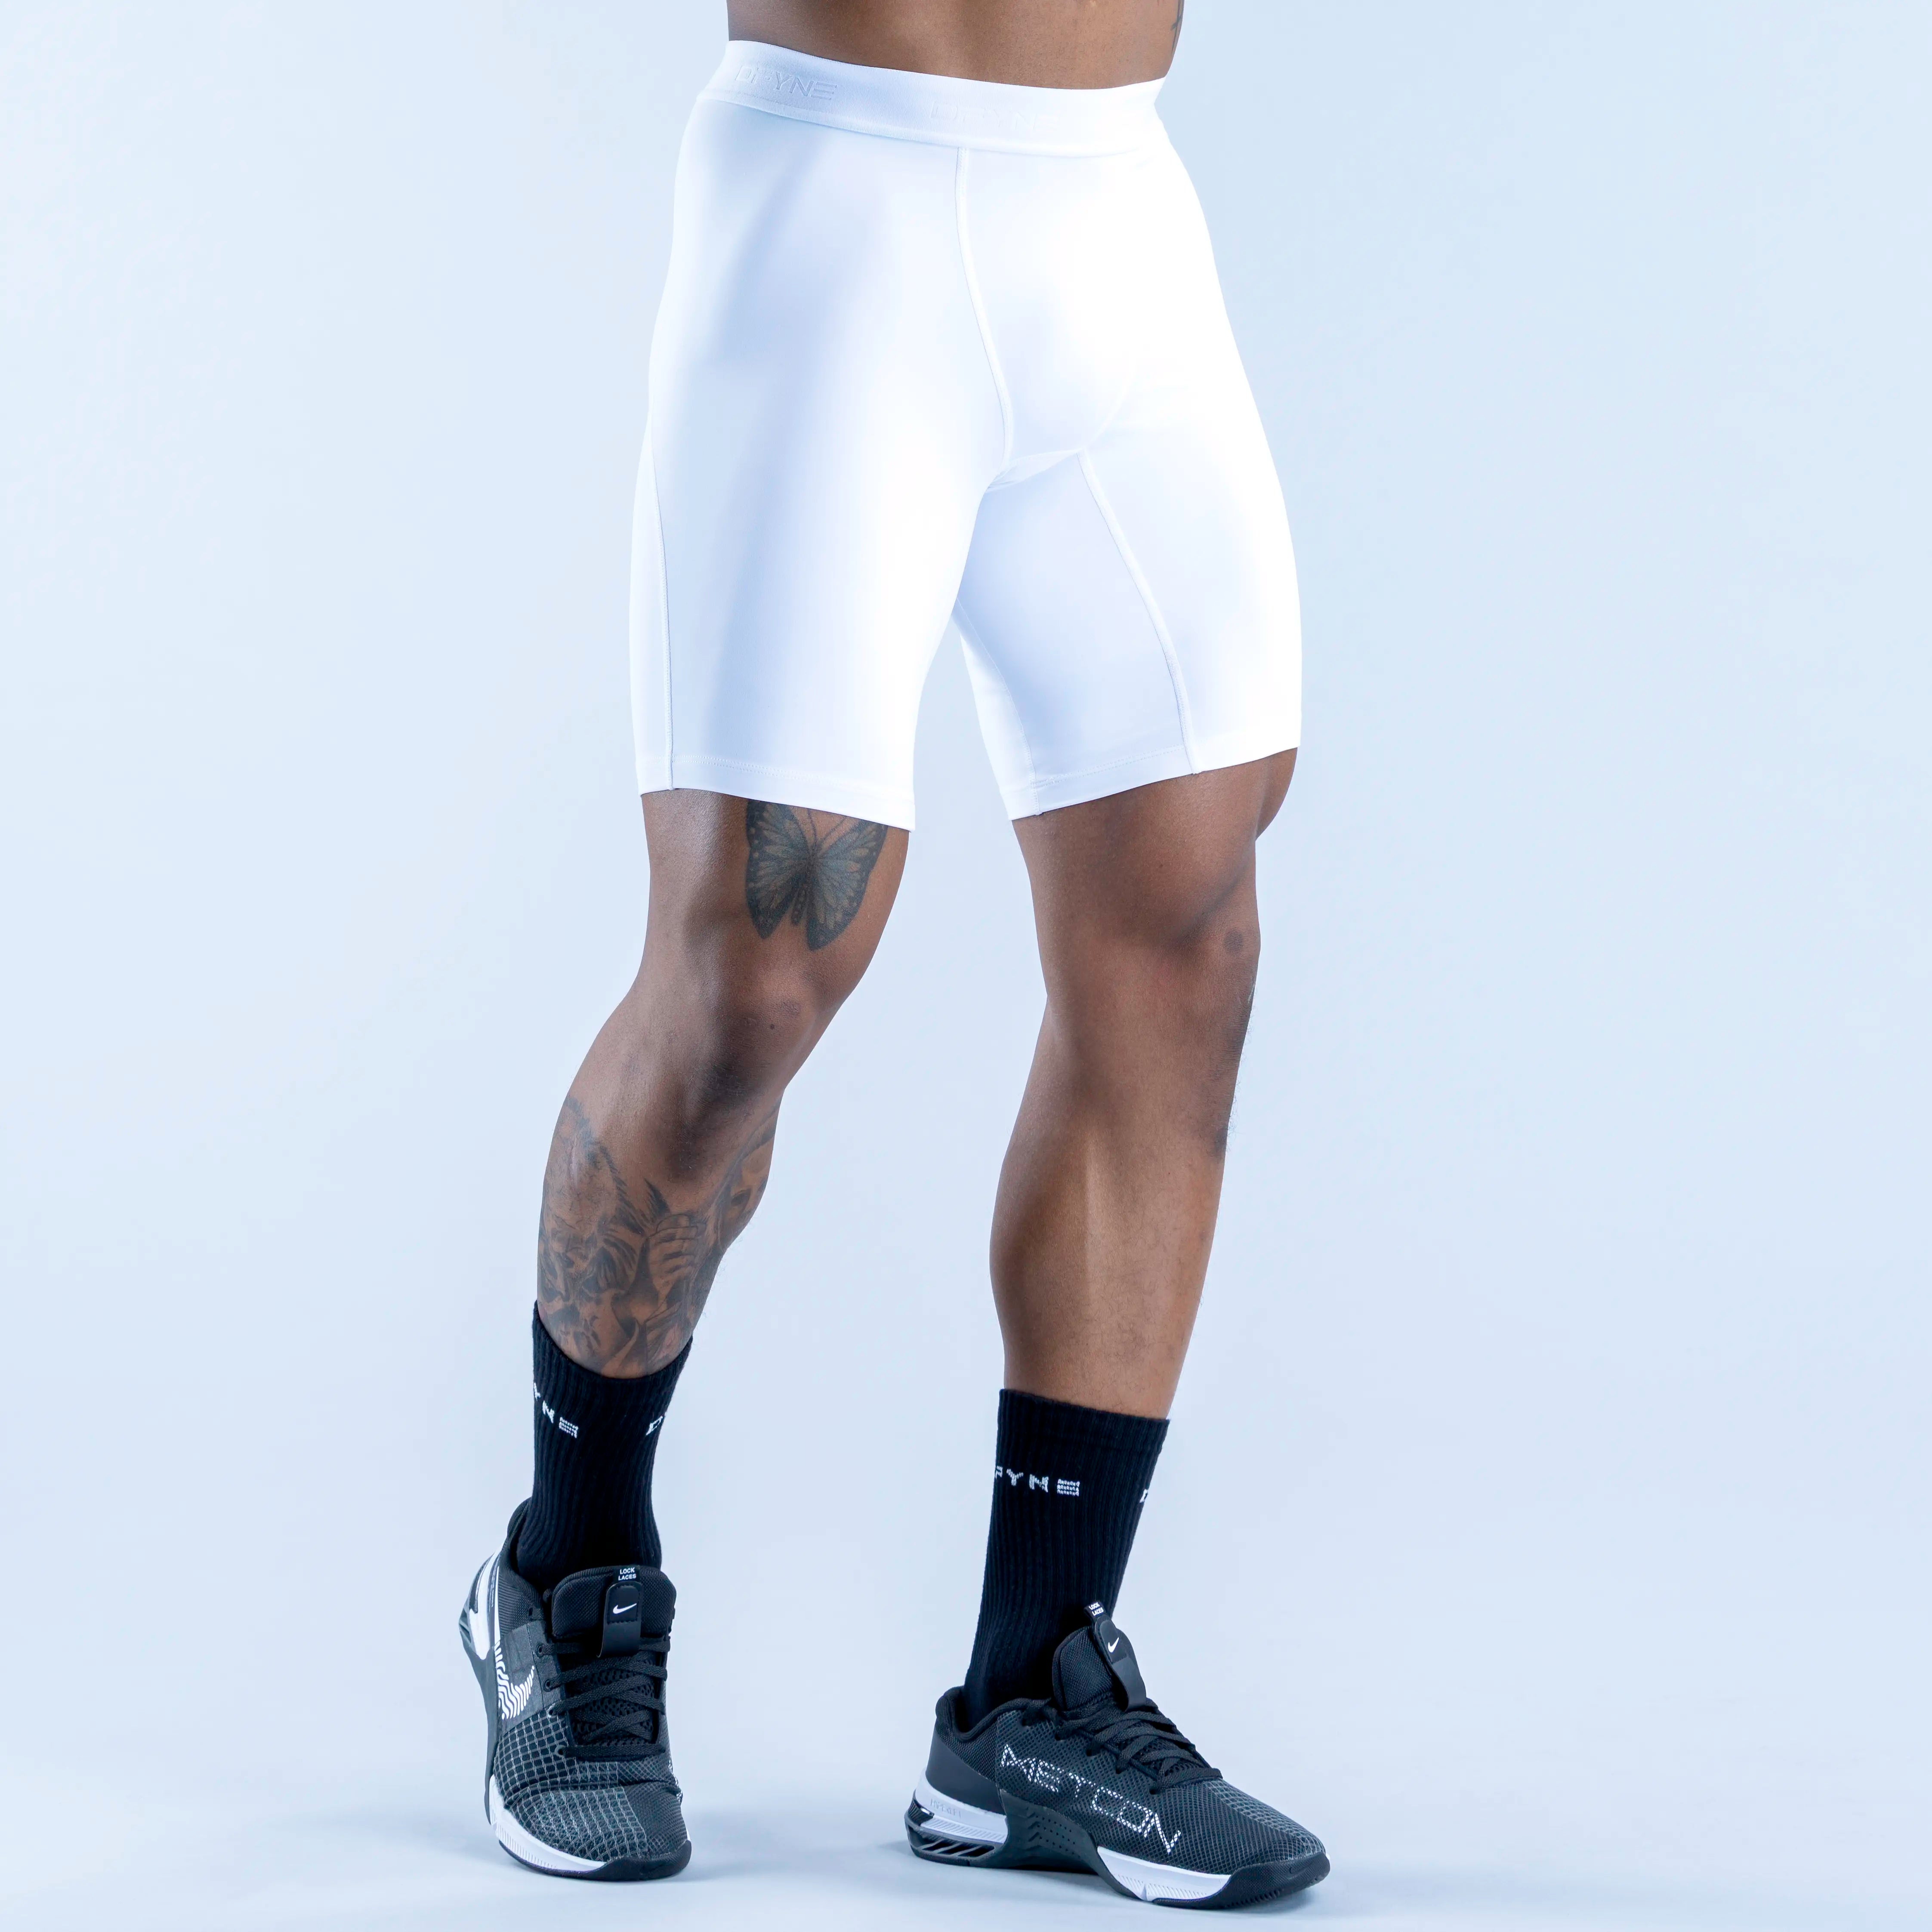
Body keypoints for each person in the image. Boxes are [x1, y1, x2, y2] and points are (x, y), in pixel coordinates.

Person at [458, 0, 1328, 1907]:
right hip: (838, 214)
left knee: (1183, 937)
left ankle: (1032, 1692)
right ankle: (566, 1575)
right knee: (752, 973)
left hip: (1119, 221)